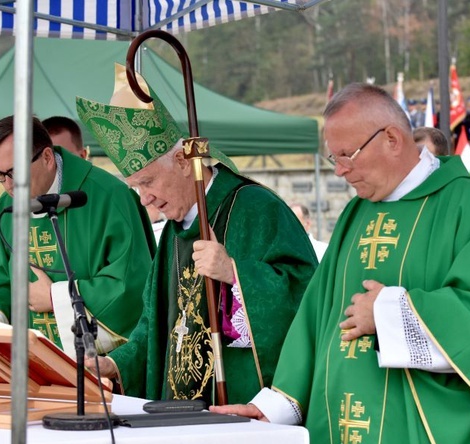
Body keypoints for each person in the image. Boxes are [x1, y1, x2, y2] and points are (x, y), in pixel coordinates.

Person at [212, 83, 470, 444]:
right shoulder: (356, 213)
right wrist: (276, 407)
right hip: (342, 437)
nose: (339, 170)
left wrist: (390, 313)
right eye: (331, 157)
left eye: (346, 155)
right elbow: (316, 318)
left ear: (391, 138)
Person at [76, 64, 318, 404]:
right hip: (179, 411)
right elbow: (155, 324)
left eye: (147, 182)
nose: (144, 199)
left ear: (180, 160)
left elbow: (307, 297)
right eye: (136, 187)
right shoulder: (173, 233)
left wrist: (235, 274)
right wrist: (115, 364)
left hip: (241, 406)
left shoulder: (256, 208)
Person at [0, 115, 153, 357]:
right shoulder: (8, 205)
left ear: (47, 157)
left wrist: (57, 297)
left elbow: (132, 286)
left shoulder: (110, 196)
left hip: (98, 367)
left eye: (15, 172)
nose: (8, 185)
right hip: (31, 365)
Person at [43, 115, 157, 257]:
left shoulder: (112, 196)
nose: (57, 165)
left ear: (83, 155)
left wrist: (61, 281)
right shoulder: (21, 201)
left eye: (64, 156)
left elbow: (131, 269)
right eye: (51, 158)